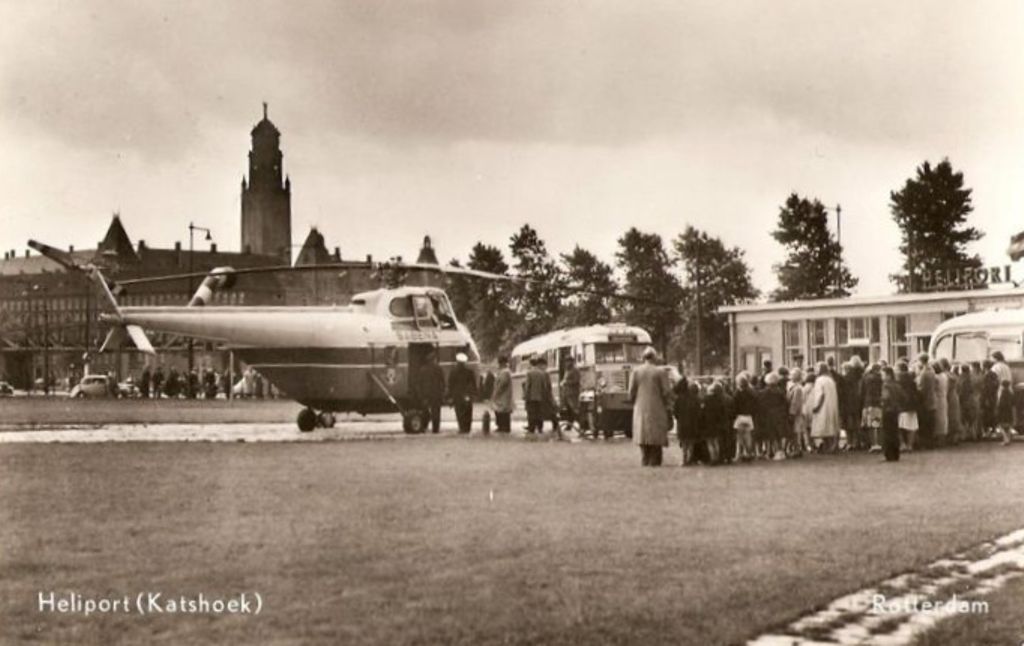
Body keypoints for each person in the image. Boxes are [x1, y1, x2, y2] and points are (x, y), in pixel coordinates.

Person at [628, 347, 672, 467]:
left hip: (640, 408)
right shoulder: (661, 372)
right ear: (654, 357)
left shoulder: (636, 371)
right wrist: (668, 405)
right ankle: (655, 461)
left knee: (642, 434)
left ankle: (645, 459)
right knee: (656, 436)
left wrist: (634, 401)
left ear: (644, 358)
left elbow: (631, 392)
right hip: (657, 408)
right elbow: (667, 391)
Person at [810, 362, 840, 452]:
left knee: (823, 427)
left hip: (823, 406)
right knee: (830, 427)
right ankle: (832, 446)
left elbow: (820, 395)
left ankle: (827, 446)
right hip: (832, 405)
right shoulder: (831, 380)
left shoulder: (819, 380)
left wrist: (816, 406)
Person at [416, 351, 446, 433]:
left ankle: (424, 427)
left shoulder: (423, 369)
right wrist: (442, 392)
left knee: (425, 411)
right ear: (434, 359)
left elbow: (419, 383)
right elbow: (442, 382)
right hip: (436, 394)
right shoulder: (438, 369)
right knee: (436, 412)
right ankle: (435, 429)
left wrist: (420, 395)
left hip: (425, 394)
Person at [447, 352, 477, 433]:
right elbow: (473, 384)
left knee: (459, 412)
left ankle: (462, 427)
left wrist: (449, 396)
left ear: (457, 361)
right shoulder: (469, 372)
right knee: (468, 411)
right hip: (467, 395)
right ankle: (467, 427)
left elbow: (450, 385)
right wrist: (474, 394)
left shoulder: (453, 372)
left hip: (457, 396)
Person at [880, 366, 905, 462]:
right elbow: (903, 396)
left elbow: (885, 397)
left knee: (887, 433)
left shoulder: (886, 385)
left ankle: (888, 454)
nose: (882, 376)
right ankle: (896, 454)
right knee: (895, 432)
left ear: (888, 375)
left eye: (883, 374)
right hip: (896, 410)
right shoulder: (897, 385)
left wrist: (882, 403)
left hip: (887, 410)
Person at [673, 377, 700, 465]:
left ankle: (684, 459)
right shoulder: (694, 398)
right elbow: (698, 411)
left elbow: (675, 413)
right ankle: (690, 458)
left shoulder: (678, 399)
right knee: (691, 442)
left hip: (682, 423)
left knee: (684, 443)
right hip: (693, 423)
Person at [523, 356, 551, 435]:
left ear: (531, 364)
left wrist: (525, 395)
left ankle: (531, 428)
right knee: (539, 413)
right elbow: (544, 386)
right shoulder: (541, 373)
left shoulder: (529, 373)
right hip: (540, 396)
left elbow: (528, 385)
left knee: (531, 413)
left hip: (531, 397)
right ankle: (540, 427)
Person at [732, 374, 757, 461]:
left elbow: (734, 406)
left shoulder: (737, 394)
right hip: (749, 417)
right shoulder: (751, 393)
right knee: (748, 436)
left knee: (739, 437)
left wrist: (734, 416)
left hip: (739, 417)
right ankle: (749, 453)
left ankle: (739, 454)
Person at [895, 361, 919, 451]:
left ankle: (902, 444)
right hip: (912, 405)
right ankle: (910, 445)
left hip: (901, 405)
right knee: (912, 426)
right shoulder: (912, 379)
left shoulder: (898, 379)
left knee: (899, 426)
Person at [915, 354, 937, 449]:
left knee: (925, 422)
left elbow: (921, 388)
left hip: (925, 400)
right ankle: (930, 442)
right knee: (930, 422)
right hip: (932, 398)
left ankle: (925, 443)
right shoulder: (932, 370)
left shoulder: (924, 373)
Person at [861, 363, 883, 453]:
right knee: (878, 424)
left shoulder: (866, 378)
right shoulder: (881, 379)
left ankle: (873, 444)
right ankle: (879, 443)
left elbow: (862, 391)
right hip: (878, 403)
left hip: (868, 402)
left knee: (871, 425)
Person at [787, 367, 808, 456]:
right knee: (795, 431)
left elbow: (795, 402)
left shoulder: (797, 388)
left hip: (796, 413)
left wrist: (792, 412)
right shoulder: (795, 387)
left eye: (792, 375)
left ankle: (797, 449)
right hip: (797, 412)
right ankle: (796, 448)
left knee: (796, 431)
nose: (790, 376)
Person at [942, 359, 963, 443]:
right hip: (955, 396)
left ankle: (950, 436)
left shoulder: (945, 376)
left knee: (949, 415)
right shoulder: (953, 375)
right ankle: (955, 437)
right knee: (955, 416)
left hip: (948, 396)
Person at [491, 356, 513, 433]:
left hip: (503, 396)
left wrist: (496, 393)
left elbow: (502, 384)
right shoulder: (504, 371)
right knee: (500, 411)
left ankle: (503, 427)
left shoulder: (505, 372)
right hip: (503, 396)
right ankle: (501, 426)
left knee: (503, 412)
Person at [559, 356, 582, 432]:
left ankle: (581, 424)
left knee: (574, 409)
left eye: (568, 361)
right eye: (566, 361)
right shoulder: (567, 370)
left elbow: (576, 380)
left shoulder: (575, 370)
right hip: (567, 393)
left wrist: (566, 382)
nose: (566, 363)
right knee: (569, 410)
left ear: (571, 362)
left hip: (573, 393)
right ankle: (569, 425)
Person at [932, 360, 949, 446]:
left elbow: (934, 388)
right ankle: (943, 437)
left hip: (937, 398)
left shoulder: (936, 378)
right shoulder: (944, 376)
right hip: (944, 397)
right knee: (943, 418)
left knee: (938, 418)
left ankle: (938, 439)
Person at [996, 379, 1015, 446]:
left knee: (1000, 426)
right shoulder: (1011, 393)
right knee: (1009, 426)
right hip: (1009, 411)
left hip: (1003, 412)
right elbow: (1013, 403)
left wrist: (998, 410)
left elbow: (1000, 404)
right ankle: (1008, 439)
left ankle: (1005, 439)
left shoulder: (1003, 393)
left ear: (1003, 386)